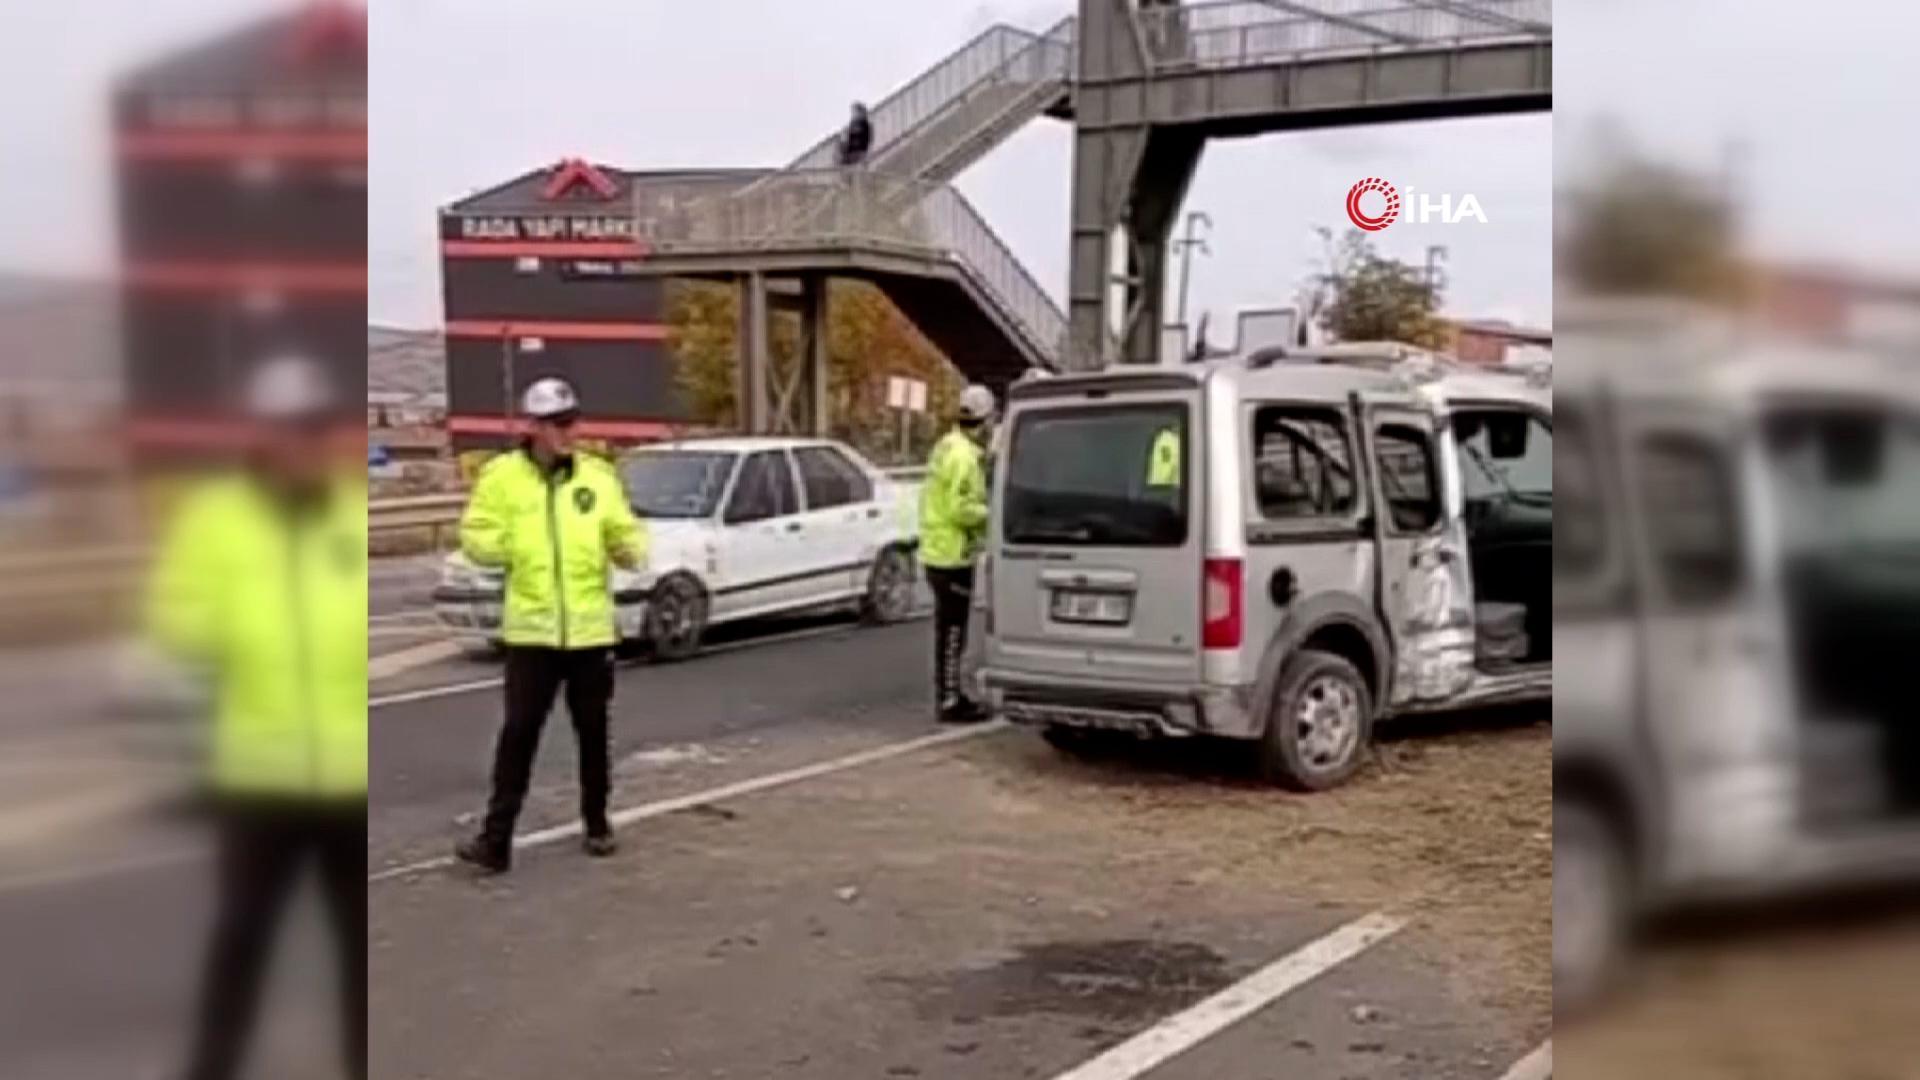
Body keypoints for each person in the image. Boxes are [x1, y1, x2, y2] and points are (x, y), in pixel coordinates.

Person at [151, 355, 368, 1080]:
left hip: (346, 778)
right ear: (263, 436)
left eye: (314, 426)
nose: (303, 442)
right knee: (241, 942)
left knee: (359, 951)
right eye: (288, 428)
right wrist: (228, 628)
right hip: (258, 777)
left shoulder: (351, 515)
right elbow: (177, 621)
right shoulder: (217, 521)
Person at [454, 377, 647, 874]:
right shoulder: (501, 477)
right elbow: (476, 535)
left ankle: (597, 822)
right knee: (518, 733)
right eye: (558, 424)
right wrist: (511, 548)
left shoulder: (598, 477)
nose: (569, 432)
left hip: (588, 630)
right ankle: (495, 842)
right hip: (532, 633)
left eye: (572, 421)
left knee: (592, 731)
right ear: (533, 427)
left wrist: (630, 550)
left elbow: (624, 530)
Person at [919, 384, 996, 724]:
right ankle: (950, 700)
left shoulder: (947, 445)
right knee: (952, 632)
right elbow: (959, 508)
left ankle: (951, 694)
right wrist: (993, 513)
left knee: (949, 630)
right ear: (985, 419)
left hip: (937, 550)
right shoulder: (965, 458)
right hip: (951, 555)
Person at [837, 101, 873, 167]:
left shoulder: (863, 124)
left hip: (858, 151)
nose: (853, 114)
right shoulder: (854, 124)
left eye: (854, 112)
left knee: (845, 159)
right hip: (852, 151)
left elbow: (863, 139)